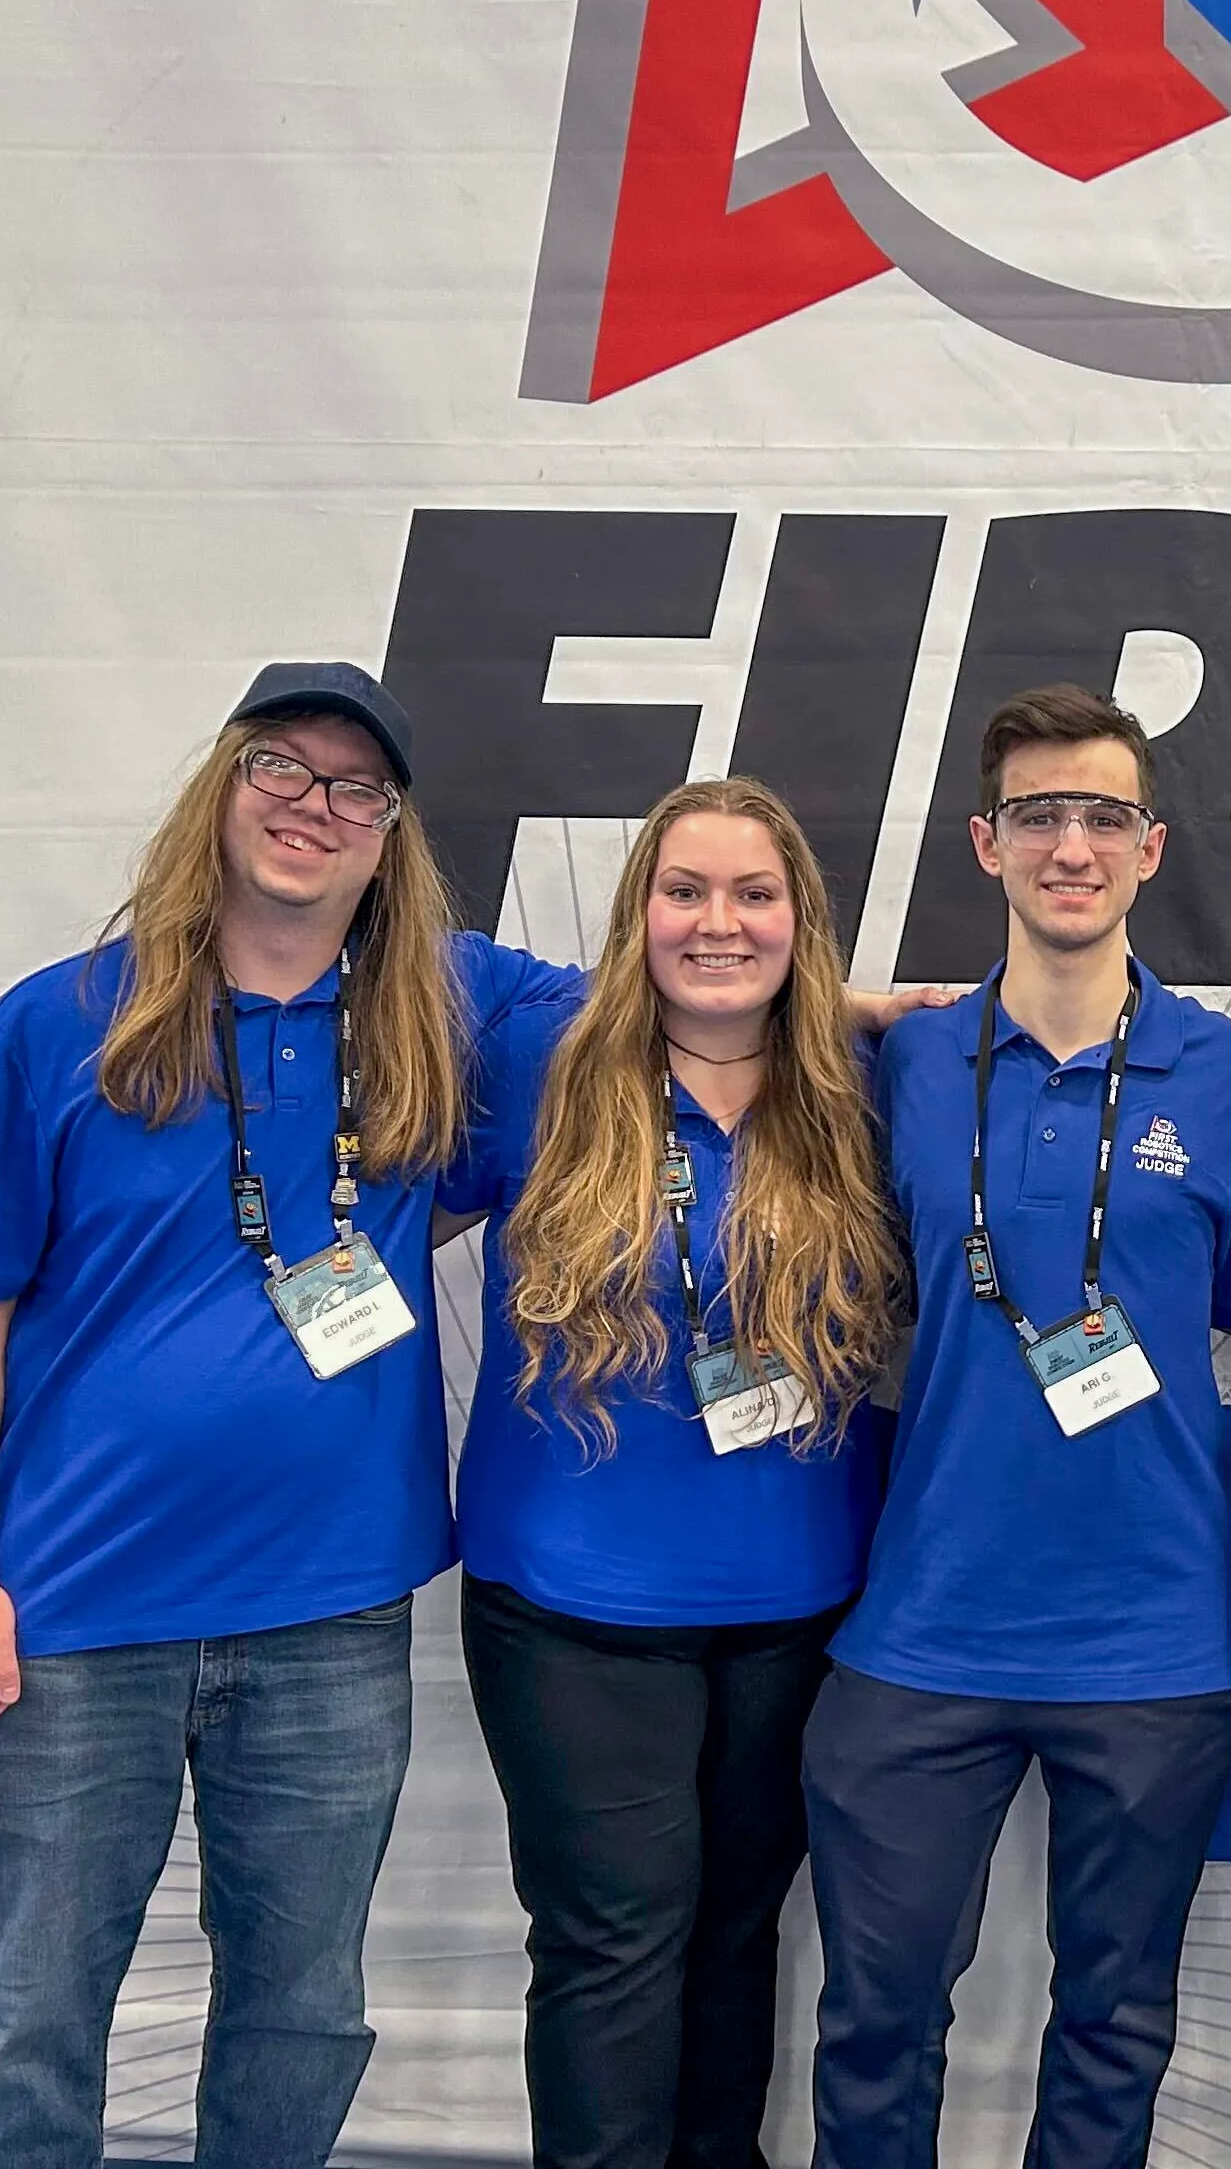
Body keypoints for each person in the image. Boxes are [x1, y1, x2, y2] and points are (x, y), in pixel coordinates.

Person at [0, 663, 560, 2169]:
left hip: (329, 1617)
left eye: (354, 787)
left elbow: (699, 992)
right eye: (282, 765)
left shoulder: (440, 1009)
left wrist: (869, 1007)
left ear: (389, 831)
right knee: (31, 2017)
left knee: (302, 2015)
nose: (311, 806)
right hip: (71, 1615)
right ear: (222, 785)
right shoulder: (57, 1023)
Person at [803, 685, 1231, 2169]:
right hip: (924, 1630)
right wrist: (840, 1004)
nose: (1069, 846)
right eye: (1037, 817)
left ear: (1148, 850)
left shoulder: (1226, 1069)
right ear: (985, 844)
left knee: (1115, 2026)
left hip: (1153, 1636)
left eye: (1100, 817)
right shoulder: (902, 1063)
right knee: (877, 2024)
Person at [439, 778, 903, 2169]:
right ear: (632, 915)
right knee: (614, 1938)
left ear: (801, 923)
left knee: (736, 1932)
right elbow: (399, 935)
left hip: (799, 1602)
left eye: (754, 895)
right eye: (683, 891)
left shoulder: (861, 1090)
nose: (719, 923)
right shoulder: (543, 1053)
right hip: (573, 1604)